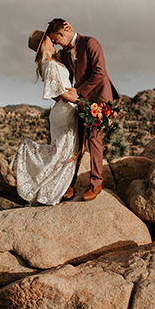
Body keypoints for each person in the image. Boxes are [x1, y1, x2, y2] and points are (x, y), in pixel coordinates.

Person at [46, 18, 118, 201]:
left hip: (97, 99)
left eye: (56, 39)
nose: (56, 43)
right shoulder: (63, 54)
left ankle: (96, 183)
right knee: (76, 140)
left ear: (62, 33)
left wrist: (79, 92)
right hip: (77, 102)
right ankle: (69, 184)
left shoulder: (91, 43)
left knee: (94, 139)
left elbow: (99, 73)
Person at [10, 30, 79, 205]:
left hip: (65, 109)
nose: (53, 42)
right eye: (50, 40)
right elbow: (60, 93)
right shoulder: (49, 64)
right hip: (65, 110)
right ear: (43, 44)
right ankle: (51, 188)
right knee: (62, 151)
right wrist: (83, 101)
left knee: (64, 151)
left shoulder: (52, 62)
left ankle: (59, 187)